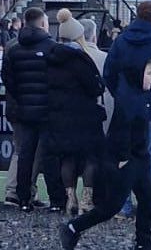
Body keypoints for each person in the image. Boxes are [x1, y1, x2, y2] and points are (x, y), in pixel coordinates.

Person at [58, 59, 151, 250]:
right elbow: (120, 131)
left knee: (149, 201)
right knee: (110, 207)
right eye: (149, 73)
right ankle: (73, 227)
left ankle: (143, 242)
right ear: (139, 75)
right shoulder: (128, 100)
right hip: (126, 160)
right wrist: (122, 158)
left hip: (139, 158)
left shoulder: (137, 97)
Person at [103, 1, 151, 217]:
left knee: (124, 156)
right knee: (148, 158)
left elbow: (109, 72)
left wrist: (121, 94)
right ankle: (148, 205)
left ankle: (122, 205)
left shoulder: (121, 41)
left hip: (125, 105)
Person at [2, 6, 64, 211]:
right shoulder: (52, 48)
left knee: (25, 154)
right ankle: (56, 200)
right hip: (48, 109)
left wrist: (21, 97)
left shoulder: (13, 49)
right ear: (43, 23)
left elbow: (7, 79)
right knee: (50, 155)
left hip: (25, 109)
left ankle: (23, 198)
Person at [46, 13, 106, 215]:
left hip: (58, 115)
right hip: (84, 115)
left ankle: (70, 198)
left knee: (67, 157)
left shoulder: (51, 58)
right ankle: (86, 200)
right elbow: (94, 87)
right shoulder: (80, 59)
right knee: (91, 157)